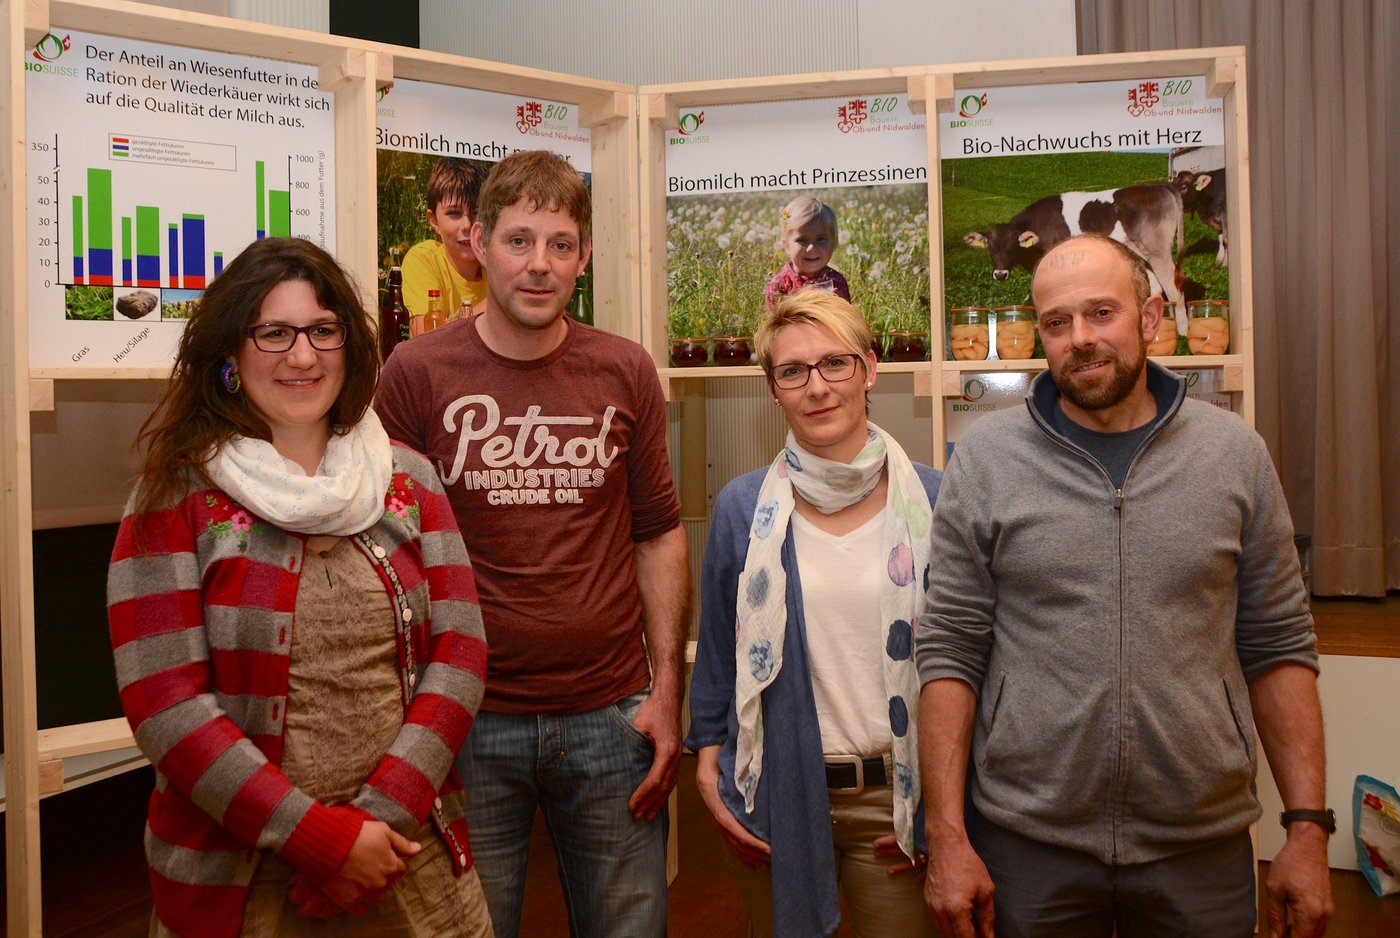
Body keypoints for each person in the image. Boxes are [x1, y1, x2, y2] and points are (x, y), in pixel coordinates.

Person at [915, 234, 1332, 938]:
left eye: (1101, 313)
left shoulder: (1235, 455)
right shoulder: (985, 460)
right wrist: (948, 836)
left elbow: (1278, 645)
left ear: (1151, 317)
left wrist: (1309, 829)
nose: (1080, 339)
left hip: (1199, 844)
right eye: (1056, 322)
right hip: (1027, 846)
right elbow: (951, 651)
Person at [106, 237, 493, 936]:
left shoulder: (408, 479)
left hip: (403, 855)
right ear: (229, 353)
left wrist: (376, 822)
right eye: (274, 333)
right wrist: (316, 840)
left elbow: (460, 655)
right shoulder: (174, 495)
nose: (304, 356)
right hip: (243, 876)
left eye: (323, 330)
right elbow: (164, 702)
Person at [374, 149, 688, 938]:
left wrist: (666, 695)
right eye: (518, 240)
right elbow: (381, 555)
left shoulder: (625, 371)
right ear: (477, 242)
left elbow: (657, 535)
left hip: (611, 714)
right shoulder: (413, 375)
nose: (539, 265)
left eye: (559, 245)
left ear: (583, 256)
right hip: (466, 720)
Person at [688, 288, 942, 937]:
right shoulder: (744, 510)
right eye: (793, 371)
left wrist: (944, 810)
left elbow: (974, 665)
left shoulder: (936, 500)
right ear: (773, 388)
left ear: (870, 368)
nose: (818, 386)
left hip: (900, 802)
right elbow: (718, 653)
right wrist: (709, 771)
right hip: (776, 793)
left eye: (836, 363)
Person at [401, 157, 490, 320]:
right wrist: (499, 302)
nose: (467, 225)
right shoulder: (424, 259)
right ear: (433, 219)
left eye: (476, 212)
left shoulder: (500, 263)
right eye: (454, 213)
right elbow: (428, 339)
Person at [764, 195, 851, 310]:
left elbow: (848, 322)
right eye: (802, 240)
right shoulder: (779, 285)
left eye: (821, 239)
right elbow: (774, 325)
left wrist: (839, 306)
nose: (811, 248)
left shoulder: (837, 281)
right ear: (786, 245)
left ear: (833, 243)